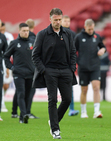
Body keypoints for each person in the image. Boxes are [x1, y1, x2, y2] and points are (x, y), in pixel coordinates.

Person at [32, 8, 77, 139]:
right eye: (55, 19)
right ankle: (55, 129)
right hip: (49, 71)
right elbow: (35, 55)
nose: (58, 22)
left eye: (60, 19)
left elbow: (73, 52)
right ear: (50, 19)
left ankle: (53, 121)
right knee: (52, 99)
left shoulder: (68, 34)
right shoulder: (42, 34)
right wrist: (43, 70)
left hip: (65, 71)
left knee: (67, 99)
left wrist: (72, 68)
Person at [4, 23, 35, 124]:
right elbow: (6, 56)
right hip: (19, 74)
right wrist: (11, 67)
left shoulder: (33, 42)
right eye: (24, 31)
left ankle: (23, 116)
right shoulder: (14, 43)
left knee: (28, 95)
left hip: (31, 73)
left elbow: (38, 56)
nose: (26, 33)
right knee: (21, 93)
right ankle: (24, 114)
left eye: (27, 31)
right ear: (19, 31)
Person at [75, 19, 106, 118]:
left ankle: (96, 111)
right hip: (83, 67)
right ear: (85, 27)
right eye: (89, 29)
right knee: (84, 89)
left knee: (96, 87)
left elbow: (103, 46)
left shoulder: (97, 36)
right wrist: (77, 62)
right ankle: (83, 111)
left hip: (95, 66)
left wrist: (102, 50)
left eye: (92, 29)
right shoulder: (79, 37)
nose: (91, 31)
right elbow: (73, 51)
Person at [61, 15, 79, 116]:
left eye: (68, 21)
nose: (67, 23)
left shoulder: (73, 34)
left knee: (69, 87)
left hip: (68, 66)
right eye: (65, 21)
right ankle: (54, 109)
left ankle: (71, 109)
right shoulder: (57, 33)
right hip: (57, 64)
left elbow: (75, 50)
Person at [0, 22, 14, 112]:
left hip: (7, 62)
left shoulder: (9, 36)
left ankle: (2, 99)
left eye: (4, 29)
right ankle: (1, 103)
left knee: (6, 85)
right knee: (0, 84)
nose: (2, 31)